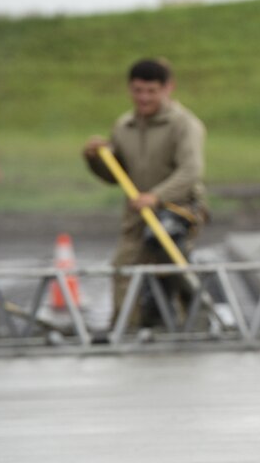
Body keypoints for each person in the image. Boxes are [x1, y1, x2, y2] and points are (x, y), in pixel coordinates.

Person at [83, 58, 207, 327]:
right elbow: (115, 175)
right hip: (137, 215)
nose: (144, 97)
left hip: (176, 211)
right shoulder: (123, 126)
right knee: (123, 268)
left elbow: (191, 171)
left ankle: (197, 325)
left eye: (151, 91)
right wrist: (94, 159)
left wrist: (157, 196)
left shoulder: (184, 124)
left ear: (166, 89)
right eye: (138, 91)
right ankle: (125, 329)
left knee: (174, 268)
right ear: (130, 89)